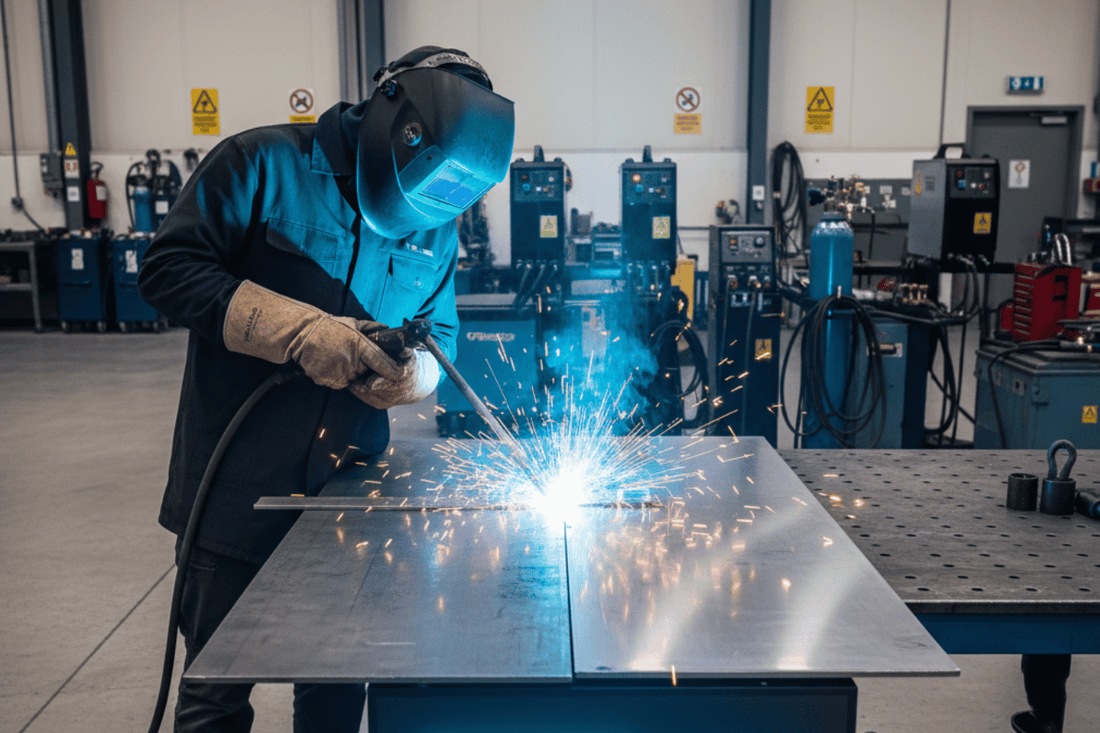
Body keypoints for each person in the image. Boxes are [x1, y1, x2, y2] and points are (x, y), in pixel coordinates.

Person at [138, 46, 514, 732]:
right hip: (234, 486)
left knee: (337, 689)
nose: (427, 210)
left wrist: (415, 376)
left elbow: (444, 335)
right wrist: (290, 327)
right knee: (216, 693)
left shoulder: (436, 221)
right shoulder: (261, 162)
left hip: (350, 497)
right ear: (391, 111)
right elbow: (166, 270)